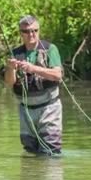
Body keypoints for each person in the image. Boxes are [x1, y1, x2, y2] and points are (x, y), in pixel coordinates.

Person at [4, 15, 63, 155]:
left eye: (34, 30)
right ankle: (31, 176)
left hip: (49, 108)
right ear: (21, 33)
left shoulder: (50, 49)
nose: (31, 34)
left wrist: (33, 68)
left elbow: (57, 75)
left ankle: (50, 176)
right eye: (26, 31)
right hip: (26, 111)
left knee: (50, 151)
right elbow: (9, 83)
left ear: (38, 31)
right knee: (30, 151)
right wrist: (10, 68)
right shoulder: (15, 53)